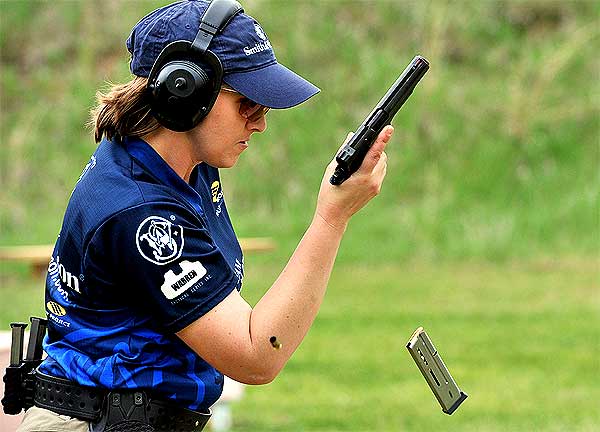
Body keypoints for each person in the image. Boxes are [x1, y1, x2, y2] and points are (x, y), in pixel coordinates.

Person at [16, 0, 393, 431]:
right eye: (247, 104)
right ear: (184, 91)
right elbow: (256, 355)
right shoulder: (142, 212)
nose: (260, 123)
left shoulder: (179, 167)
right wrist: (331, 219)